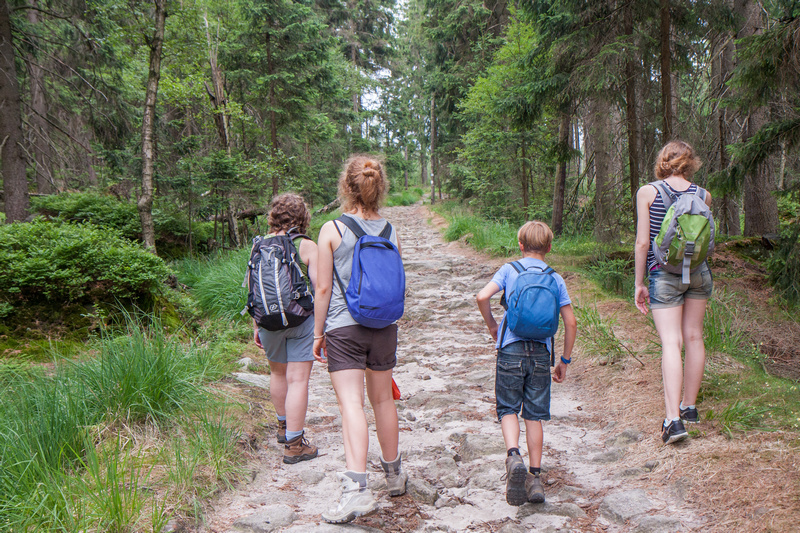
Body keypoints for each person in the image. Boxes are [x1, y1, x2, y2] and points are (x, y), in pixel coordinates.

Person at [312, 155, 408, 524]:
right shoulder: (389, 231)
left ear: (346, 186)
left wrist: (319, 334)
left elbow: (322, 287)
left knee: (352, 403)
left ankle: (355, 489)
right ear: (378, 187)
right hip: (384, 326)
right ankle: (394, 474)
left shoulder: (331, 229)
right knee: (383, 400)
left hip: (343, 327)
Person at [476, 221, 577, 506]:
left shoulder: (510, 270)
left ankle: (512, 456)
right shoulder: (555, 278)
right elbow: (571, 322)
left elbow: (482, 296)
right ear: (549, 247)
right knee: (533, 415)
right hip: (541, 355)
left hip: (510, 350)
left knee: (508, 407)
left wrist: (494, 326)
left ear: (520, 245)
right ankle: (534, 479)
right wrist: (564, 361)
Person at [634, 140, 713, 445]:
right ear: (691, 162)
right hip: (698, 273)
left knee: (671, 341)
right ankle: (689, 406)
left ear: (663, 161)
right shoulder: (703, 195)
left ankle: (673, 421)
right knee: (694, 336)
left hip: (664, 274)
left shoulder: (648, 192)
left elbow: (643, 243)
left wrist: (639, 282)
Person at [253, 193, 319, 464]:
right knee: (298, 380)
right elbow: (321, 287)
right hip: (301, 320)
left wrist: (256, 324)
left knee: (277, 374)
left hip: (267, 320)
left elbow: (250, 287)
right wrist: (322, 327)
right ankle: (294, 445)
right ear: (302, 218)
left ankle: (282, 428)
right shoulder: (305, 245)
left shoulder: (258, 245)